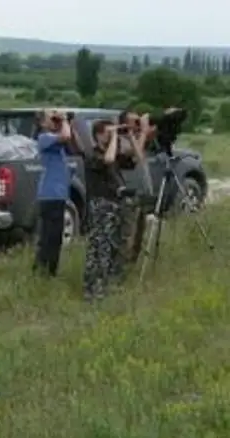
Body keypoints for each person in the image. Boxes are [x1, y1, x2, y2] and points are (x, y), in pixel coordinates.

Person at [83, 121, 139, 301]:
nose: (110, 136)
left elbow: (136, 158)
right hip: (100, 204)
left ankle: (104, 285)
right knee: (99, 247)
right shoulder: (93, 154)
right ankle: (92, 287)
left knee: (112, 246)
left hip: (114, 204)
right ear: (98, 135)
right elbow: (107, 160)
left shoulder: (112, 153)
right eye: (107, 133)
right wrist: (115, 136)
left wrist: (130, 136)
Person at [33, 109, 72, 277]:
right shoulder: (44, 138)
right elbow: (66, 136)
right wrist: (64, 120)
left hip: (58, 194)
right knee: (49, 236)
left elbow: (71, 138)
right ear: (42, 123)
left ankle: (49, 270)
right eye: (51, 118)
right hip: (50, 194)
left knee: (55, 237)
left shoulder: (56, 143)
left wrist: (67, 122)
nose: (55, 121)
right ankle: (43, 270)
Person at [114, 109, 151, 277]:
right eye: (133, 121)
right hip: (128, 193)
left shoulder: (137, 138)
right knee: (127, 234)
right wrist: (141, 132)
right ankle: (120, 270)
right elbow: (137, 156)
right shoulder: (120, 141)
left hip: (142, 192)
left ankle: (131, 266)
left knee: (139, 234)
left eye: (138, 121)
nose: (136, 125)